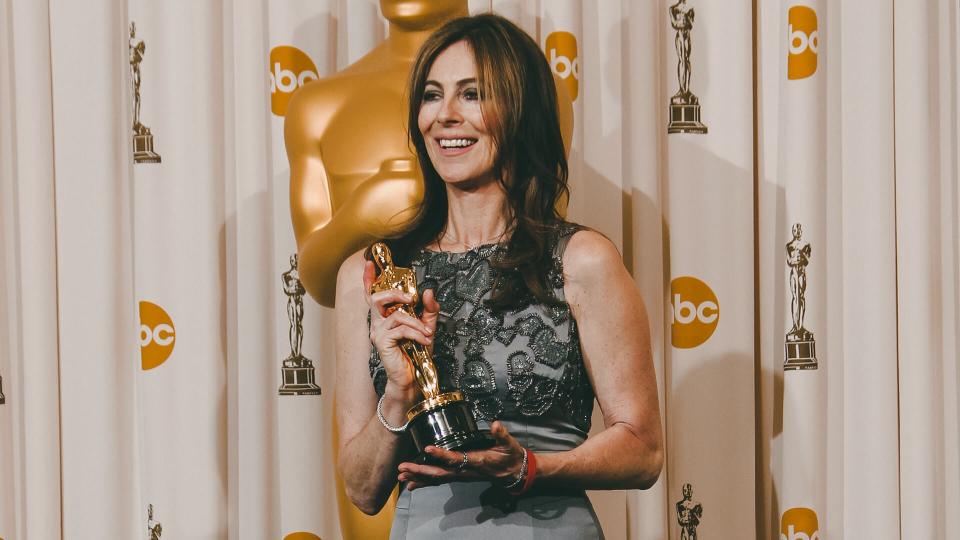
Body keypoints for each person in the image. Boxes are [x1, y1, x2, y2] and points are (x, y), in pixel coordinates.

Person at [334, 14, 662, 539]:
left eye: (472, 94)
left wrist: (527, 468)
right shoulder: (371, 275)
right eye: (432, 96)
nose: (444, 116)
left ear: (519, 110)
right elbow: (361, 489)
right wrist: (399, 391)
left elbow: (643, 451)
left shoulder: (581, 260)